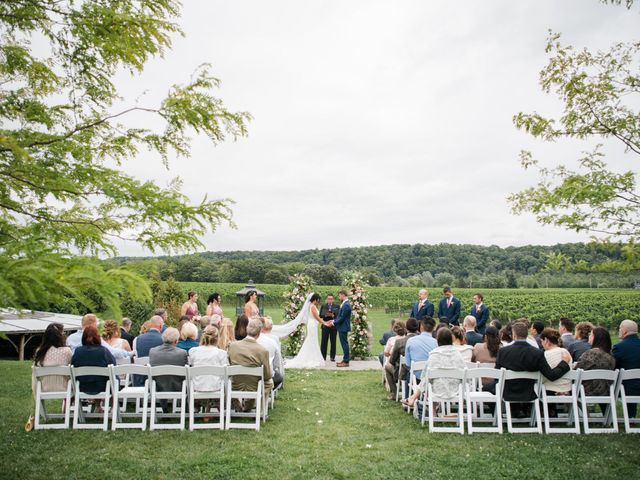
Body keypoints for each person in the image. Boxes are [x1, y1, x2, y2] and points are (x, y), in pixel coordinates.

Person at [489, 322, 571, 418]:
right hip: (530, 392)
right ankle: (518, 409)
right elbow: (551, 375)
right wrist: (564, 363)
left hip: (508, 392)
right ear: (527, 335)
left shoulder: (503, 352)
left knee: (487, 388)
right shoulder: (537, 353)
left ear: (514, 335)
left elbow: (498, 375)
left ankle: (501, 416)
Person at [402, 328, 466, 407]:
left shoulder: (434, 355)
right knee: (430, 380)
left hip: (436, 391)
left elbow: (425, 376)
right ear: (451, 339)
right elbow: (465, 372)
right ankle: (413, 398)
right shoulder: (458, 354)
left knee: (428, 380)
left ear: (437, 340)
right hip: (456, 390)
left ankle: (418, 400)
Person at [227, 318, 273, 411]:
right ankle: (260, 410)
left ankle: (238, 405)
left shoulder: (232, 346)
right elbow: (267, 375)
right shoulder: (262, 350)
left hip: (236, 384)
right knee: (269, 383)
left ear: (247, 329)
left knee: (230, 380)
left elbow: (230, 363)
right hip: (254, 386)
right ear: (259, 332)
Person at [285, 293, 331, 368]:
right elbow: (317, 317)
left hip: (312, 324)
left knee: (312, 340)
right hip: (312, 325)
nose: (318, 301)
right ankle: (310, 357)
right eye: (318, 300)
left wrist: (324, 322)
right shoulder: (312, 306)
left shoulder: (311, 306)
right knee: (312, 340)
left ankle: (311, 356)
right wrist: (325, 323)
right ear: (315, 299)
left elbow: (317, 317)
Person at [149, 327, 188, 412]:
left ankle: (165, 409)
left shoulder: (152, 351)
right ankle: (186, 408)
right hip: (178, 387)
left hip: (158, 387)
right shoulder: (182, 353)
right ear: (176, 340)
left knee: (162, 378)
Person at [71, 325, 116, 395]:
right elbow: (113, 365)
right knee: (114, 378)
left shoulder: (78, 351)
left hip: (82, 386)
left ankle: (97, 404)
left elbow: (73, 365)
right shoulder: (103, 351)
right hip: (103, 387)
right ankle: (111, 402)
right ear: (98, 336)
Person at [32, 323, 72, 395]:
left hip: (42, 388)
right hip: (65, 387)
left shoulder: (40, 352)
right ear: (60, 335)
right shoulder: (66, 351)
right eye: (64, 332)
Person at [385, 318, 419, 400]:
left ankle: (395, 393)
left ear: (407, 328)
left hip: (403, 373)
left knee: (387, 366)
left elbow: (392, 360)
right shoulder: (422, 341)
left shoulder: (400, 342)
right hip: (420, 372)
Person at [576, 327, 616, 396]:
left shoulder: (591, 353)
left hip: (586, 391)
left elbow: (577, 370)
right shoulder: (611, 356)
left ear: (596, 338)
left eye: (591, 335)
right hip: (606, 391)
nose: (589, 336)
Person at [612, 320, 640, 417]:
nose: (619, 330)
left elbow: (613, 367)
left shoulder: (619, 347)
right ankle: (631, 416)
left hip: (626, 389)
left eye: (619, 328)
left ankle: (608, 416)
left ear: (624, 331)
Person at [188, 326, 228, 392]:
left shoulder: (193, 351)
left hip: (197, 385)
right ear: (217, 338)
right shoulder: (221, 353)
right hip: (216, 386)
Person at [539, 328, 572, 395]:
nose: (542, 344)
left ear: (546, 340)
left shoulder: (545, 355)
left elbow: (542, 377)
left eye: (541, 341)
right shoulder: (566, 352)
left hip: (548, 389)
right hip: (566, 388)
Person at [404, 317, 438, 381]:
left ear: (421, 326)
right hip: (432, 378)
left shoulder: (411, 341)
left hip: (416, 377)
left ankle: (407, 391)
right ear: (433, 328)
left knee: (407, 377)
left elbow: (408, 364)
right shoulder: (437, 343)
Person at [257, 318, 283, 388]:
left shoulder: (237, 345)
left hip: (246, 377)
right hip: (265, 375)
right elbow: (276, 364)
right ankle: (267, 392)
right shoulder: (272, 341)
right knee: (278, 377)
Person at [331, 290, 352, 367]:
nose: (339, 297)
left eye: (339, 295)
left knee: (344, 344)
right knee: (344, 344)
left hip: (343, 327)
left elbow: (342, 318)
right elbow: (340, 316)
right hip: (342, 327)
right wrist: (334, 320)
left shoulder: (346, 305)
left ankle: (346, 361)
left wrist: (333, 323)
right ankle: (344, 359)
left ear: (343, 295)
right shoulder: (345, 304)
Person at [319, 294, 338, 362]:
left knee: (333, 342)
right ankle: (323, 357)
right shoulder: (323, 306)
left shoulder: (336, 306)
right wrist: (326, 314)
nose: (330, 300)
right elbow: (320, 315)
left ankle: (332, 357)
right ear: (326, 299)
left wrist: (333, 315)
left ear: (333, 299)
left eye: (331, 299)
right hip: (325, 326)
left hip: (333, 326)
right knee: (324, 342)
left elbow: (338, 315)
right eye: (328, 299)